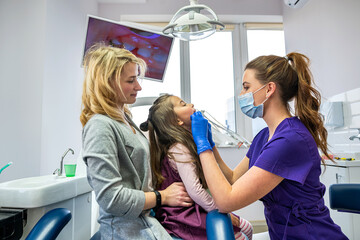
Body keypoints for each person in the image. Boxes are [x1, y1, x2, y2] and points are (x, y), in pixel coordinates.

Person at [190, 52, 348, 240]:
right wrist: (212, 147)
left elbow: (226, 201)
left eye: (246, 87)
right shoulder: (264, 136)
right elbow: (233, 179)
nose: (241, 95)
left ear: (269, 89)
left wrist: (203, 147)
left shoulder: (290, 140)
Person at [80, 44, 193, 240]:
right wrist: (162, 197)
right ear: (108, 83)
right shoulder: (99, 126)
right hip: (126, 232)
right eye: (131, 81)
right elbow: (111, 198)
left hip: (146, 223)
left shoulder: (124, 118)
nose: (138, 87)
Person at [139, 94, 253, 240]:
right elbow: (195, 190)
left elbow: (226, 177)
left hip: (195, 209)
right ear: (177, 120)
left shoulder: (185, 144)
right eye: (183, 104)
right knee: (243, 233)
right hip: (184, 216)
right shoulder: (179, 148)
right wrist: (219, 210)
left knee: (247, 228)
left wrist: (209, 143)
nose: (191, 104)